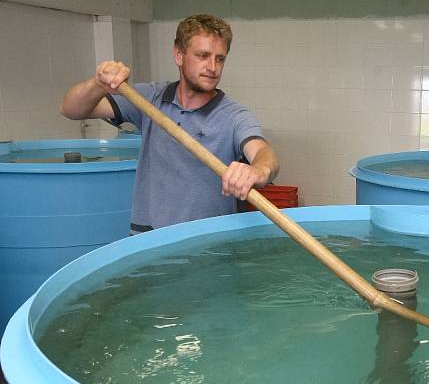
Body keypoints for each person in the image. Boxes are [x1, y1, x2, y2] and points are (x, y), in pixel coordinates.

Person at [60, 13, 279, 233]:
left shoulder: (233, 115)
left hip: (208, 243)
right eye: (203, 55)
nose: (213, 67)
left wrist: (259, 170)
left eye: (219, 58)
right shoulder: (150, 99)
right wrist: (99, 83)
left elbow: (262, 152)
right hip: (148, 238)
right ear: (179, 55)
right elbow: (72, 109)